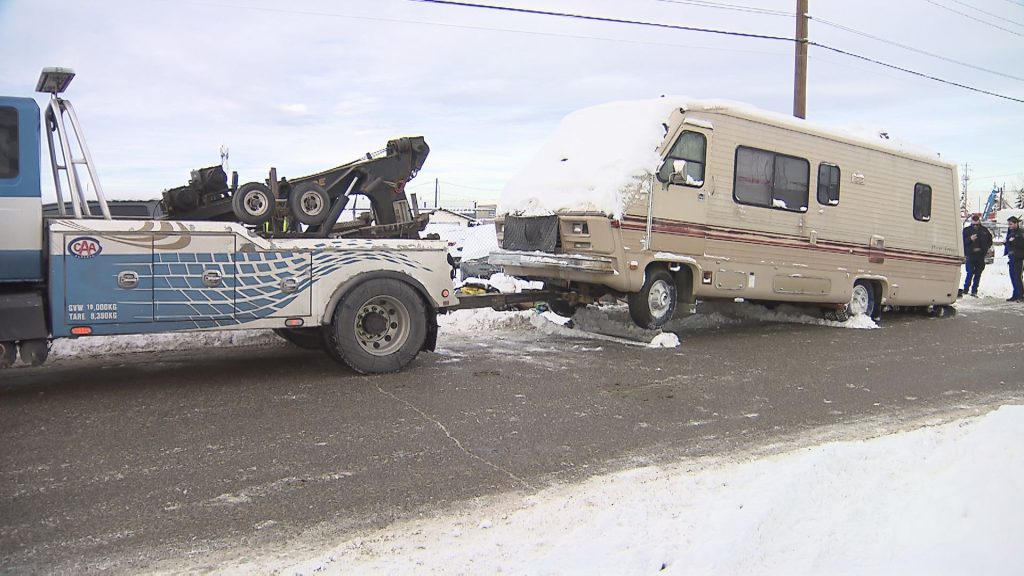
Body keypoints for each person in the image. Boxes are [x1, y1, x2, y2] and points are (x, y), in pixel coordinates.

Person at [961, 214, 993, 297]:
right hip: (970, 255)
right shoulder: (967, 230)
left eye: (977, 224)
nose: (975, 226)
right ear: (971, 222)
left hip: (980, 256)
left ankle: (974, 290)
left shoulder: (984, 230)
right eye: (974, 224)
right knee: (970, 272)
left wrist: (987, 248)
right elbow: (962, 242)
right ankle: (966, 289)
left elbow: (990, 240)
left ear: (979, 221)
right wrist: (970, 239)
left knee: (978, 274)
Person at [1005, 216, 1024, 302]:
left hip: (1018, 258)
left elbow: (1021, 245)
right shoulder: (1011, 232)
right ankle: (1015, 294)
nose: (1009, 226)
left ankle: (1020, 295)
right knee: (1013, 277)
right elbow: (1009, 242)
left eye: (1011, 224)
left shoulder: (1020, 233)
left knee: (1017, 277)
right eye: (1009, 224)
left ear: (1016, 223)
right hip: (1012, 257)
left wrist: (1014, 241)